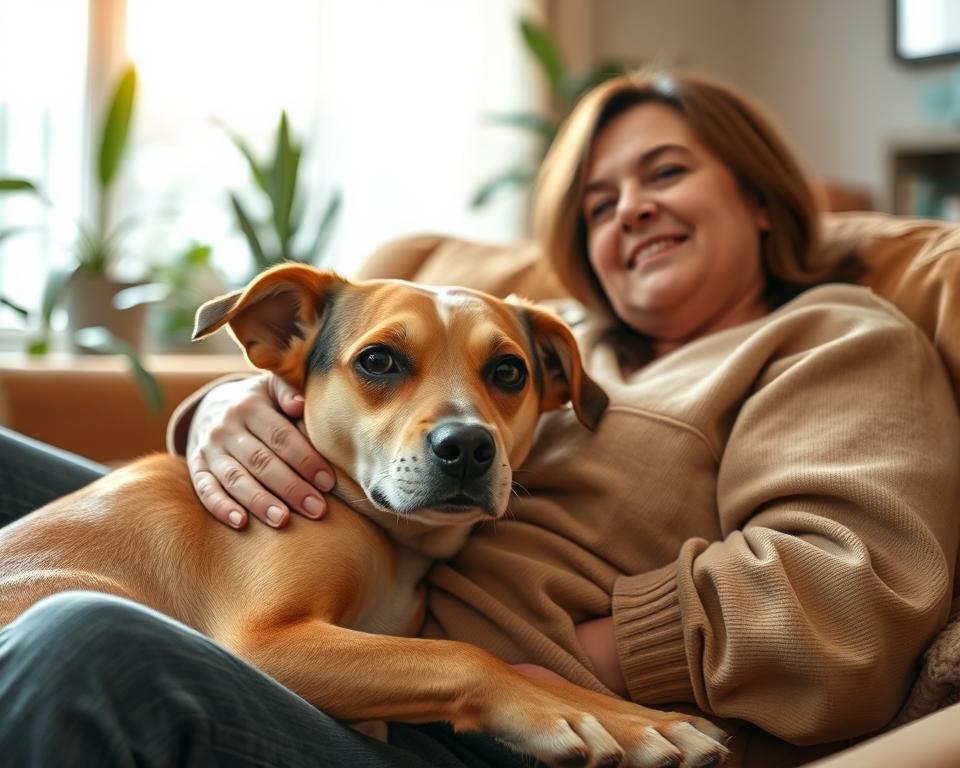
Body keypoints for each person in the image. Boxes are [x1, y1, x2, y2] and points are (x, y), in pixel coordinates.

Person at [1, 68, 958, 768]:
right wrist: (227, 408)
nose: (629, 210)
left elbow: (848, 596)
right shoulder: (559, 335)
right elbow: (353, 365)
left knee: (83, 644)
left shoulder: (836, 338)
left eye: (663, 175)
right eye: (598, 200)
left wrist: (558, 664)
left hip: (453, 717)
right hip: (323, 587)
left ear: (755, 195)